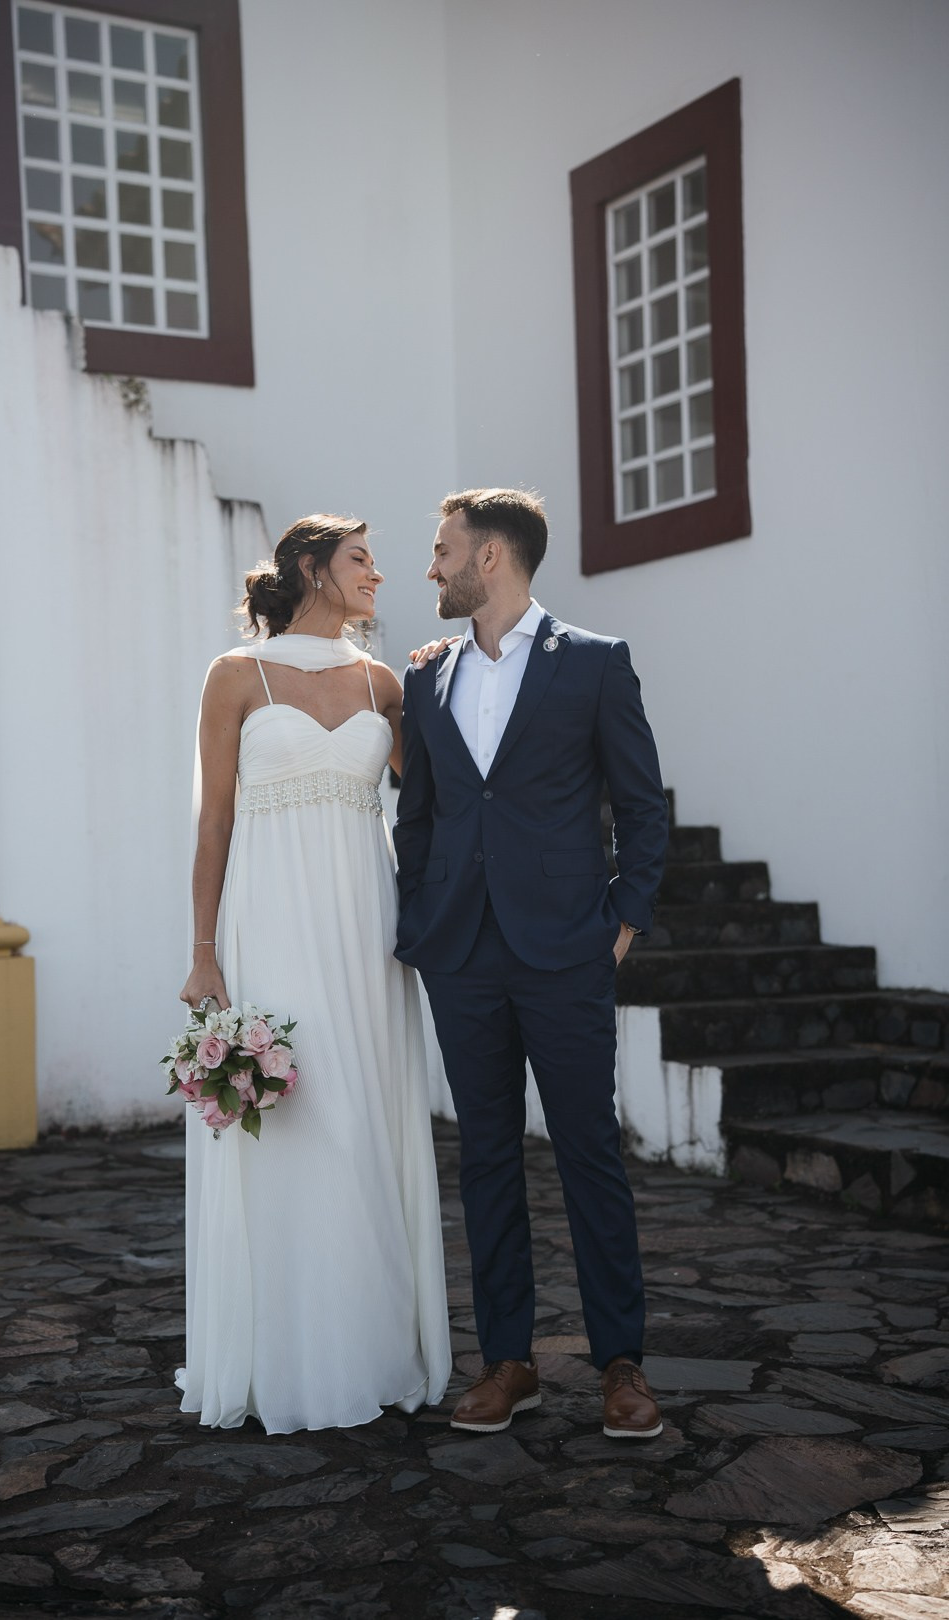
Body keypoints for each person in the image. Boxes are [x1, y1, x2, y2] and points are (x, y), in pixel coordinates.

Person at [394, 488, 670, 1439]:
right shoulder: (426, 676)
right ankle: (508, 1361)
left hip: (566, 951)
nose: (430, 566)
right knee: (485, 1155)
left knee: (590, 1152)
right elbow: (420, 813)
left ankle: (621, 1364)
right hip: (462, 955)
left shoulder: (594, 664)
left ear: (494, 558)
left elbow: (642, 801)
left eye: (442, 550)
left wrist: (623, 919)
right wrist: (419, 914)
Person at [177, 514, 451, 1433]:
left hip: (367, 926)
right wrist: (205, 951)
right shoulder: (234, 675)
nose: (380, 573)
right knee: (298, 1122)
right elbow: (213, 823)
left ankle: (371, 1346)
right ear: (310, 568)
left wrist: (440, 683)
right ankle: (289, 1357)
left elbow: (434, 800)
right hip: (273, 921)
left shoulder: (385, 682)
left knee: (365, 1119)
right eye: (361, 559)